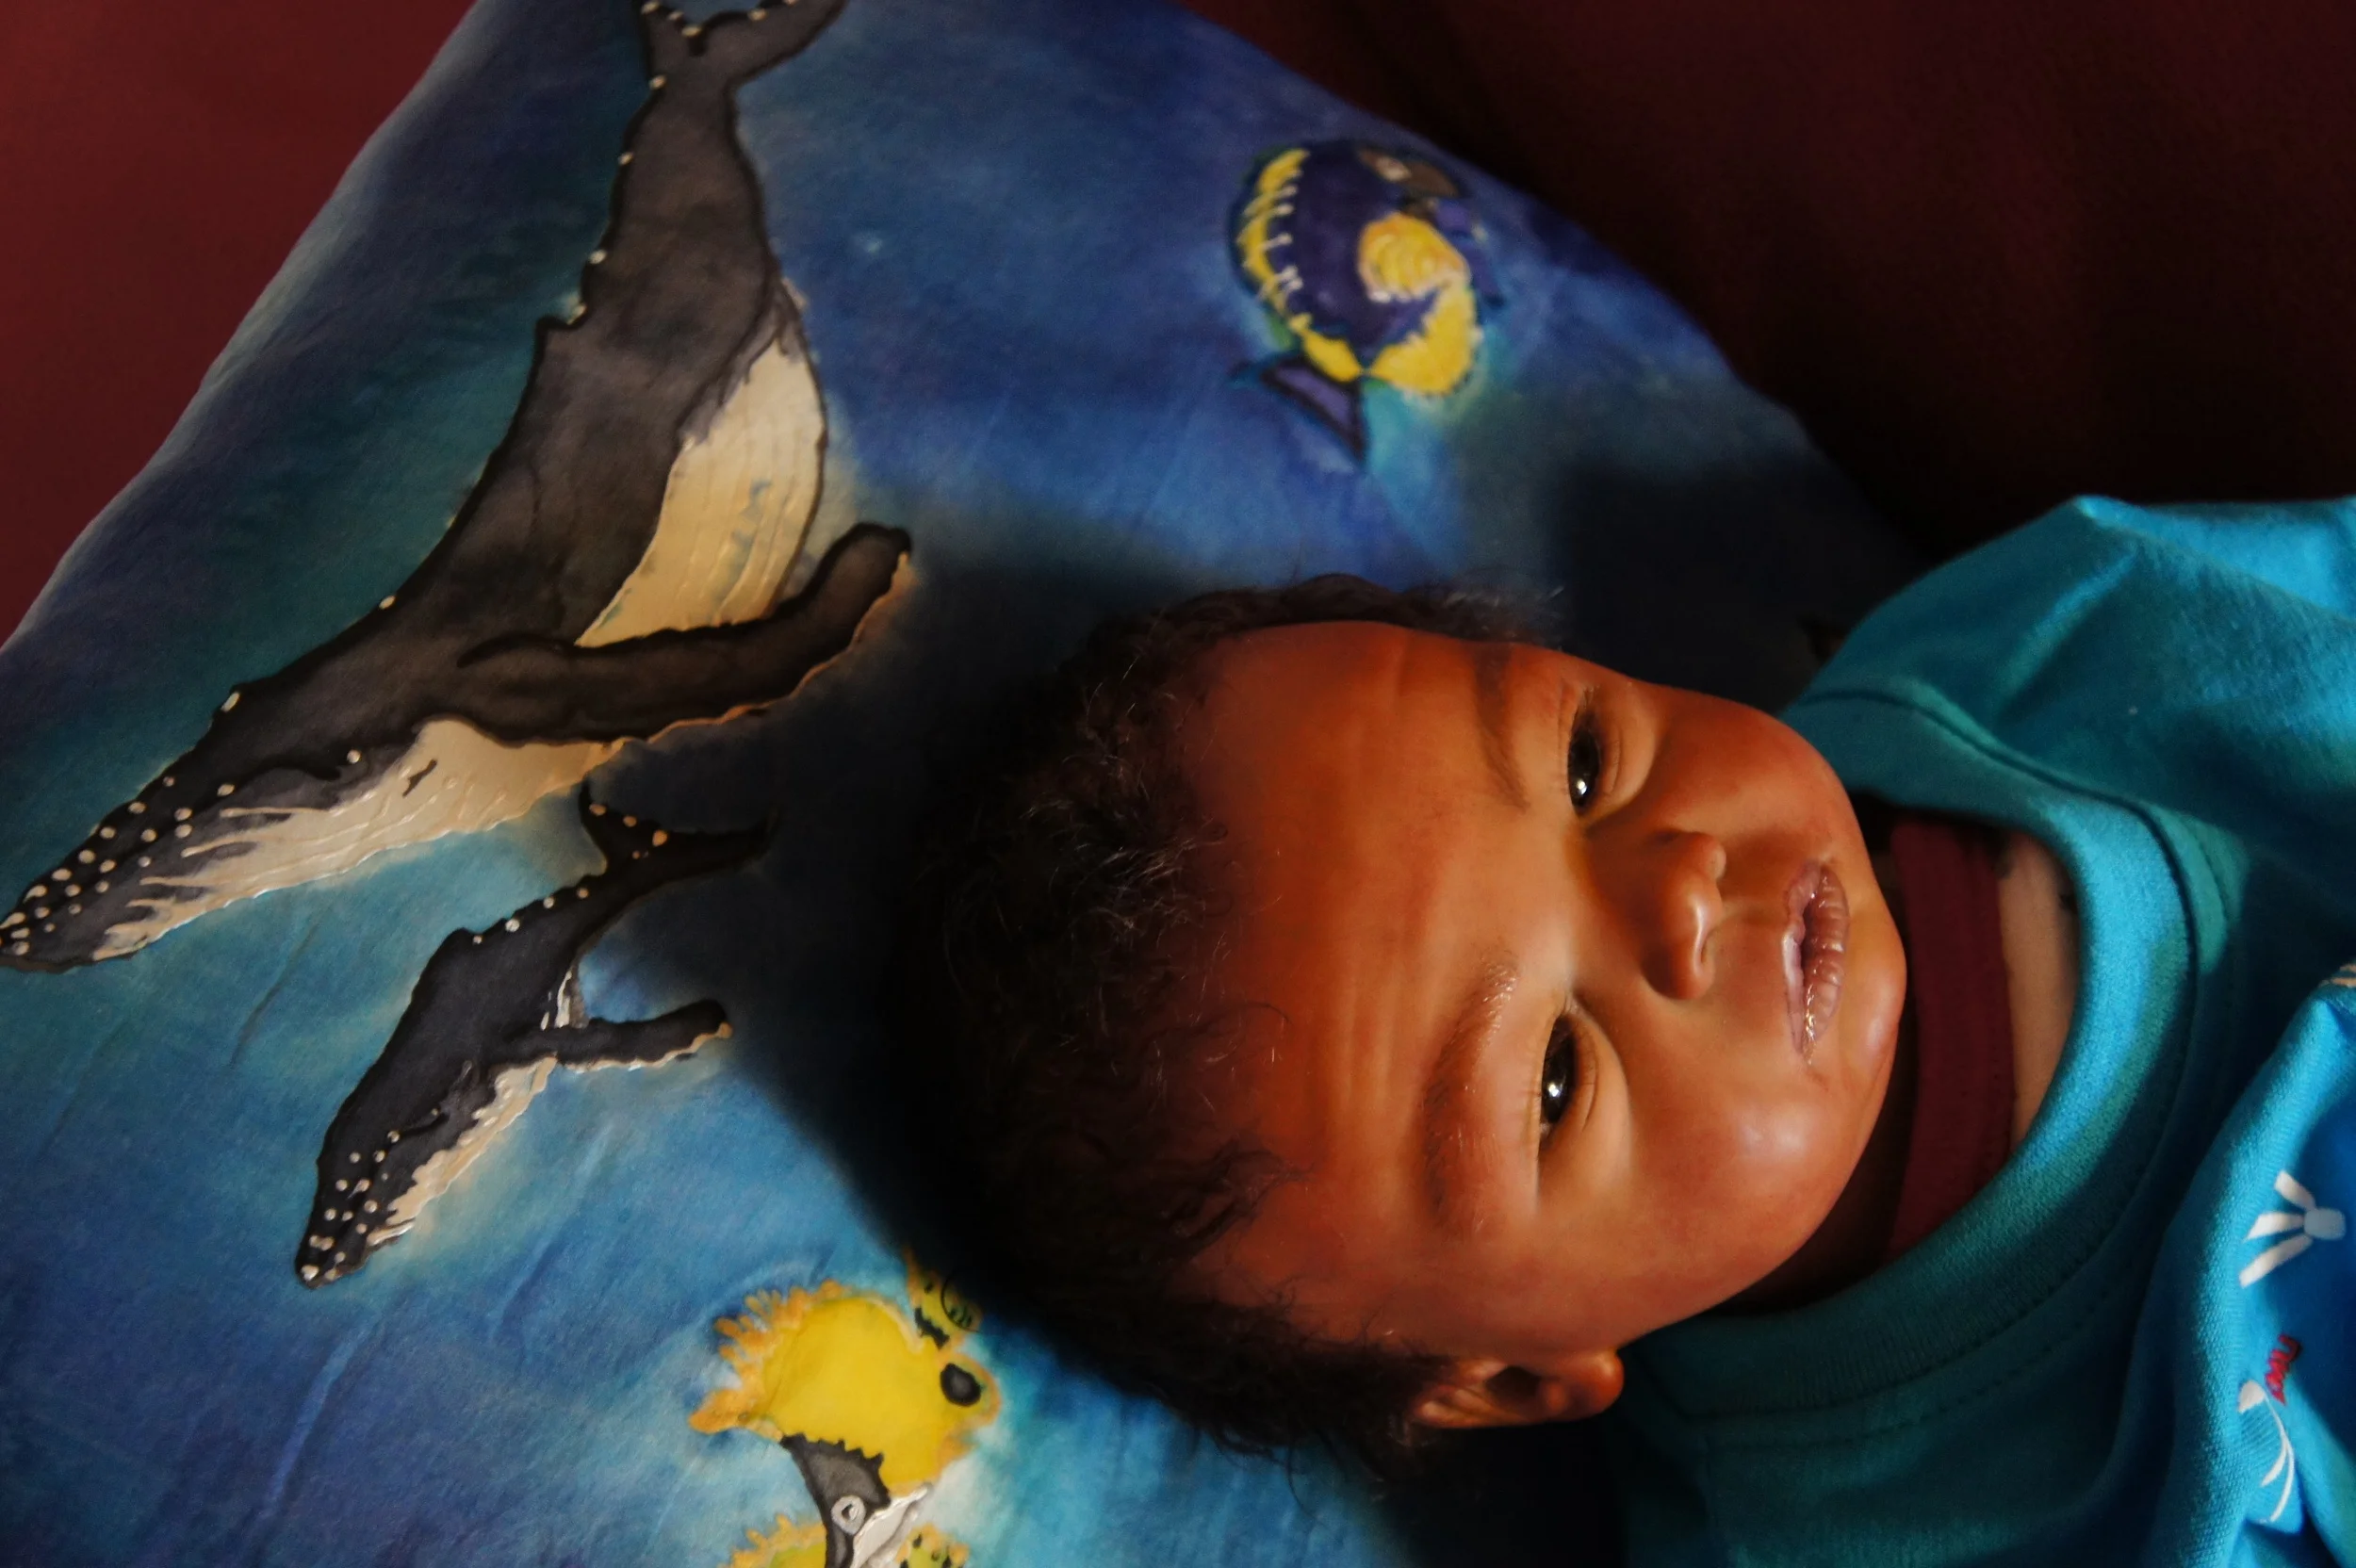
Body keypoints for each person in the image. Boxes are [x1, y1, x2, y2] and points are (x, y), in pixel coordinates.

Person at [903, 495, 2356, 1564]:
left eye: (1587, 765)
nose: (1676, 891)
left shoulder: (2047, 651)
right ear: (1526, 1374)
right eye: (1549, 1076)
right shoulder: (1843, 1535)